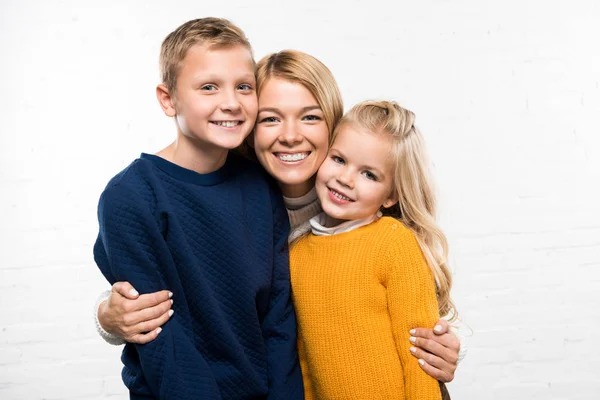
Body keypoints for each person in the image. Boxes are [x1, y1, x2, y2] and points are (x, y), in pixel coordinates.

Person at [95, 50, 464, 385]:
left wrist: (443, 345)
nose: (290, 136)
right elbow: (186, 280)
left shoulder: (360, 212)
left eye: (310, 117)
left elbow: (406, 307)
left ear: (333, 124)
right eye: (271, 118)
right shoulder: (230, 199)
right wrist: (109, 317)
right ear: (250, 124)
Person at [93, 18, 303, 399]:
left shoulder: (260, 186)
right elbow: (161, 337)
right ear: (168, 99)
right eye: (209, 87)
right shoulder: (131, 197)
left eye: (244, 87)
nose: (231, 102)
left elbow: (278, 320)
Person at [290, 100, 455, 399]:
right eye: (339, 159)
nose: (345, 178)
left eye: (370, 174)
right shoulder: (297, 254)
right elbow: (305, 365)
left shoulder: (394, 244)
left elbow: (418, 358)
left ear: (390, 195)